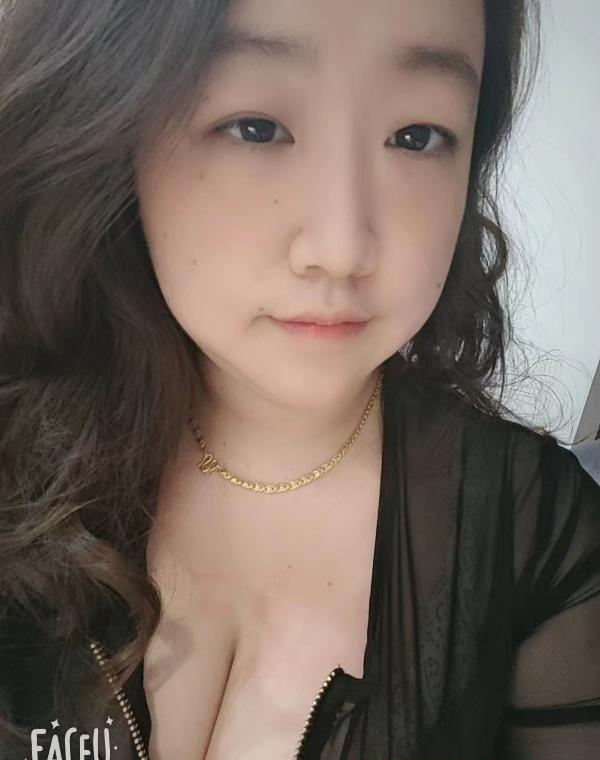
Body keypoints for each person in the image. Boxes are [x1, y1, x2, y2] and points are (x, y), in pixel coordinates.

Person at [0, 0, 598, 759]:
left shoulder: (538, 535)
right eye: (256, 127)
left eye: (417, 136)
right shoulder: (16, 457)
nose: (341, 248)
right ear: (112, 129)